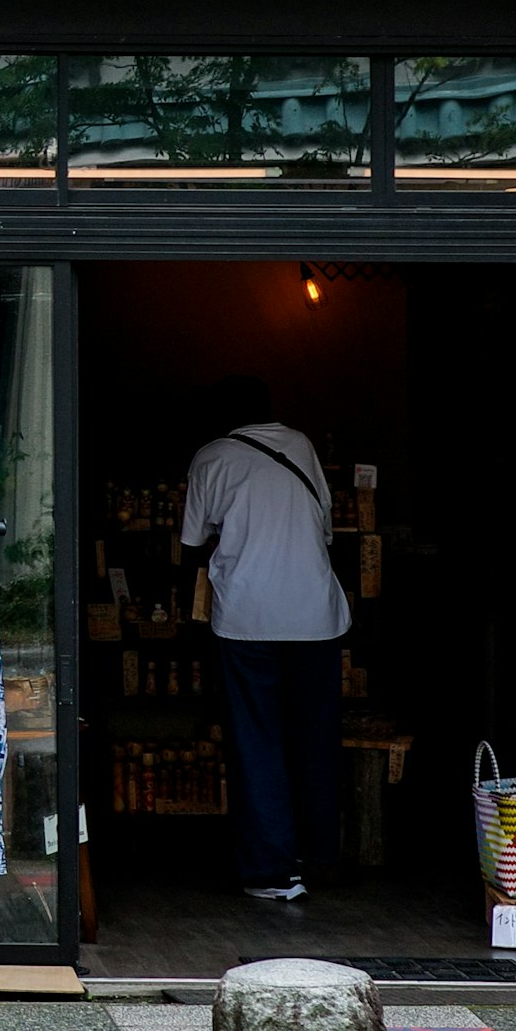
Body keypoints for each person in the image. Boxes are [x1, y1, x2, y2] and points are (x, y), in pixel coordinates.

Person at [178, 375, 350, 902]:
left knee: (257, 741)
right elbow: (323, 530)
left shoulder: (211, 456)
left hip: (249, 618)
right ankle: (317, 853)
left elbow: (190, 543)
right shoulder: (300, 445)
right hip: (315, 617)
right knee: (314, 736)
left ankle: (271, 870)